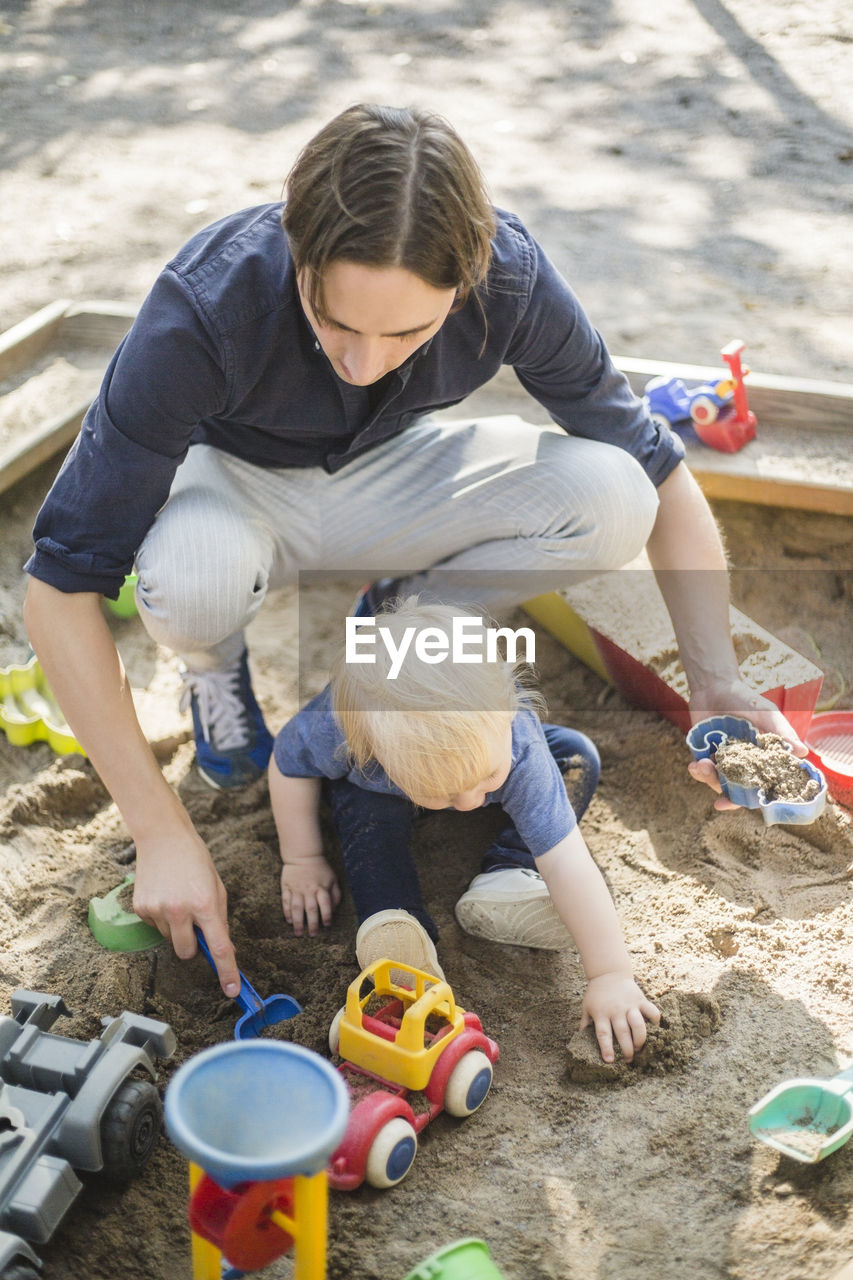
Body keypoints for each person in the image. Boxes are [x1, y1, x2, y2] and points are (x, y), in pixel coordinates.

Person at [22, 103, 805, 999]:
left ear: (467, 277)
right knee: (185, 585)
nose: (364, 362)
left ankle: (401, 627)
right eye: (337, 323)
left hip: (395, 467)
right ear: (297, 248)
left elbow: (660, 473)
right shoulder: (203, 308)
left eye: (407, 335)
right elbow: (59, 589)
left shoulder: (509, 277)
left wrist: (714, 677)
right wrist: (161, 831)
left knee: (613, 494)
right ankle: (214, 672)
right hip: (238, 484)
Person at [271, 597, 659, 1064]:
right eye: (445, 794)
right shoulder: (338, 728)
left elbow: (568, 862)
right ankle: (399, 930)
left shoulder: (516, 742)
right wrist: (303, 858)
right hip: (377, 791)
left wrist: (610, 974)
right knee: (370, 826)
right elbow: (287, 763)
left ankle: (508, 871)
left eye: (485, 780)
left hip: (493, 758)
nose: (470, 803)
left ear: (508, 709)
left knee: (577, 756)